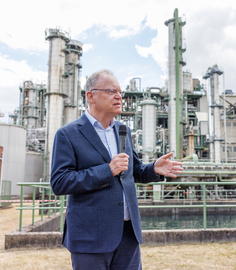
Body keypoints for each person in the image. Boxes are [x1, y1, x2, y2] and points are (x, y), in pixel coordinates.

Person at [50, 69, 183, 270]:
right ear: (91, 96)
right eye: (112, 91)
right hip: (90, 238)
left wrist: (154, 168)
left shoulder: (123, 130)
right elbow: (60, 182)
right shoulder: (68, 134)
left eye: (120, 92)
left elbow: (133, 170)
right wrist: (107, 170)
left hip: (127, 235)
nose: (119, 96)